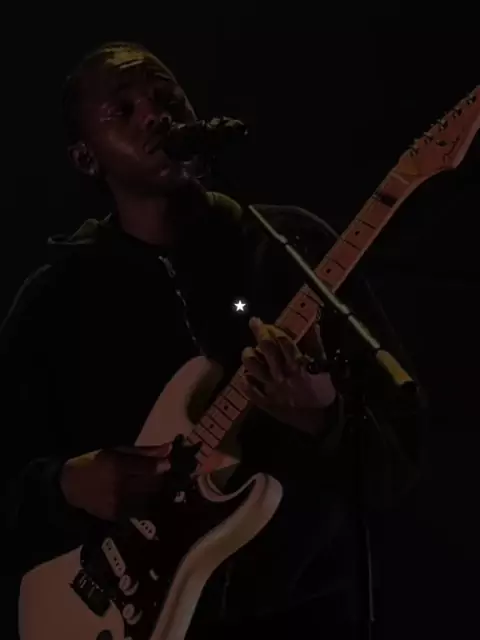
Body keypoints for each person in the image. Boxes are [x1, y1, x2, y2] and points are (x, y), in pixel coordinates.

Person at [0, 42, 425, 639]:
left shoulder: (292, 247)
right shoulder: (56, 299)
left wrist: (323, 419)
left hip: (307, 617)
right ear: (85, 157)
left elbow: (400, 461)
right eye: (124, 109)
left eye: (166, 94)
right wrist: (66, 486)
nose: (156, 113)